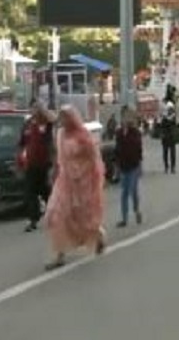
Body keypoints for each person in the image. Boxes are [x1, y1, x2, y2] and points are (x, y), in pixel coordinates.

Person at [44, 106, 106, 270]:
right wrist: (55, 172)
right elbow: (60, 159)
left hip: (83, 182)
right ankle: (59, 253)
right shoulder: (61, 135)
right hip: (64, 182)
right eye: (61, 117)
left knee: (83, 217)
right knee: (55, 214)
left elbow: (94, 160)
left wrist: (93, 180)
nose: (62, 121)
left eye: (65, 118)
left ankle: (98, 236)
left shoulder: (83, 136)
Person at [17, 101, 55, 233]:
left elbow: (54, 121)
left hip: (44, 163)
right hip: (31, 163)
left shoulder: (46, 122)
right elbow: (22, 143)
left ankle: (55, 213)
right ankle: (33, 219)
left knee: (45, 191)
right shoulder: (27, 124)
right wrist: (20, 160)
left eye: (37, 108)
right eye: (33, 108)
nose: (34, 110)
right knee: (30, 192)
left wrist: (44, 111)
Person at [114, 108, 143, 227]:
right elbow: (117, 150)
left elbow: (138, 149)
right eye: (124, 117)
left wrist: (140, 165)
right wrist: (117, 166)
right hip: (123, 166)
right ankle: (124, 218)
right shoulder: (119, 132)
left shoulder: (135, 132)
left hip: (134, 166)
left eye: (128, 117)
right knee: (124, 193)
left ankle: (136, 210)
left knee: (132, 191)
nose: (126, 119)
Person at [159, 102, 179, 174]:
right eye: (170, 109)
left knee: (172, 153)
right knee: (166, 153)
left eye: (171, 109)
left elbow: (178, 126)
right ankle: (166, 167)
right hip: (166, 137)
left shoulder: (172, 117)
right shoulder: (166, 117)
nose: (171, 110)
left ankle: (172, 167)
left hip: (170, 137)